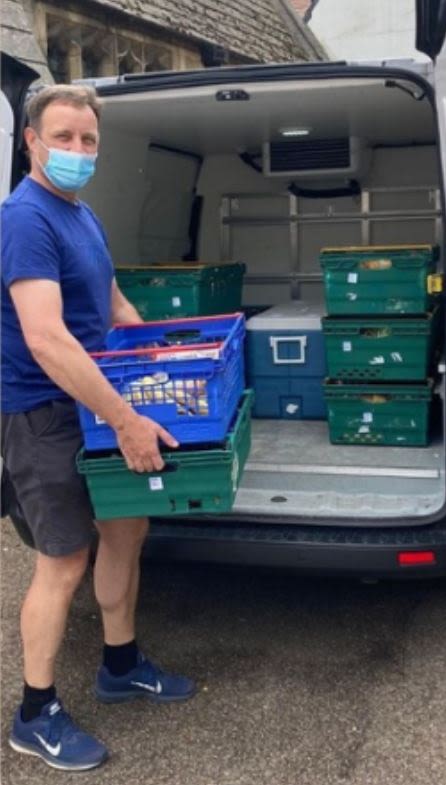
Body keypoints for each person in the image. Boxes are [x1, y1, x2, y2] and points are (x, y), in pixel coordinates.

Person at [1, 84, 196, 772]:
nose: (78, 151)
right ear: (31, 140)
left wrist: (159, 352)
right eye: (63, 137)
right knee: (62, 560)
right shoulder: (25, 219)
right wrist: (126, 419)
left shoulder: (81, 214)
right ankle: (35, 711)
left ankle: (120, 664)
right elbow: (48, 339)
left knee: (127, 529)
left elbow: (112, 301)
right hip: (46, 412)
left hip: (98, 400)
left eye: (88, 140)